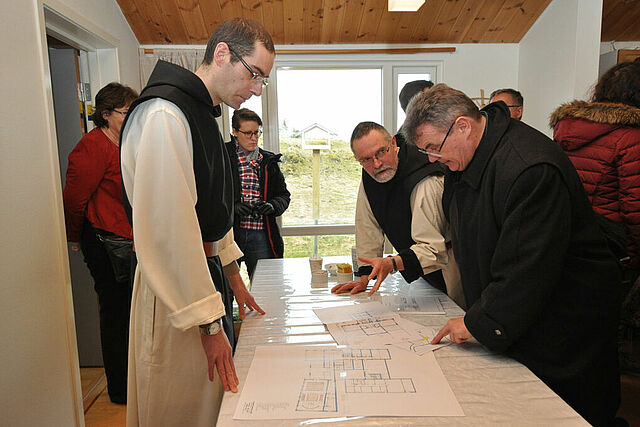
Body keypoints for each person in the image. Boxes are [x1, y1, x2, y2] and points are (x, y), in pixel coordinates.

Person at [403, 84, 621, 426]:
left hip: (563, 323)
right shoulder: (466, 158)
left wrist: (478, 322)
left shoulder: (528, 168)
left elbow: (527, 270)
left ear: (463, 126)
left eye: (433, 148)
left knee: (563, 413)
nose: (432, 159)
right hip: (522, 312)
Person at [120, 18, 275, 426]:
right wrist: (209, 325)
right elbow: (171, 231)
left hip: (200, 283)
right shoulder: (165, 114)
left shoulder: (203, 113)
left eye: (263, 80)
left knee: (207, 405)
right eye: (255, 73)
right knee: (177, 407)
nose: (257, 88)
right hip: (175, 293)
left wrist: (236, 282)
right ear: (222, 53)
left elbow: (211, 212)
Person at [550, 58, 640, 372]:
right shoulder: (631, 138)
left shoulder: (565, 131)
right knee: (606, 341)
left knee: (575, 336)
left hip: (568, 244)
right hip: (612, 252)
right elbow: (635, 209)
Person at [331, 122, 464, 308]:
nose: (376, 164)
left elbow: (433, 249)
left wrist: (391, 263)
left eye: (381, 152)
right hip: (418, 268)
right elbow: (367, 226)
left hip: (450, 269)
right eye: (366, 159)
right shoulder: (371, 176)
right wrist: (365, 277)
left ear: (393, 143)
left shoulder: (425, 181)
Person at [62, 82, 138, 404]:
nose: (131, 115)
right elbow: (74, 199)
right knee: (115, 315)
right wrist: (74, 237)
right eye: (125, 111)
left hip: (127, 239)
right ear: (106, 115)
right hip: (103, 241)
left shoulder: (126, 142)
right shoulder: (92, 147)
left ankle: (132, 383)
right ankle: (120, 390)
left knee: (131, 314)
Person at [225, 108, 290, 279]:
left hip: (262, 234)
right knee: (226, 290)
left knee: (265, 287)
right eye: (247, 133)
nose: (253, 138)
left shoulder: (269, 161)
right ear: (234, 132)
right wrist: (232, 208)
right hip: (229, 236)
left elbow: (284, 195)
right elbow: (210, 197)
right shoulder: (222, 157)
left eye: (257, 132)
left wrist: (272, 206)